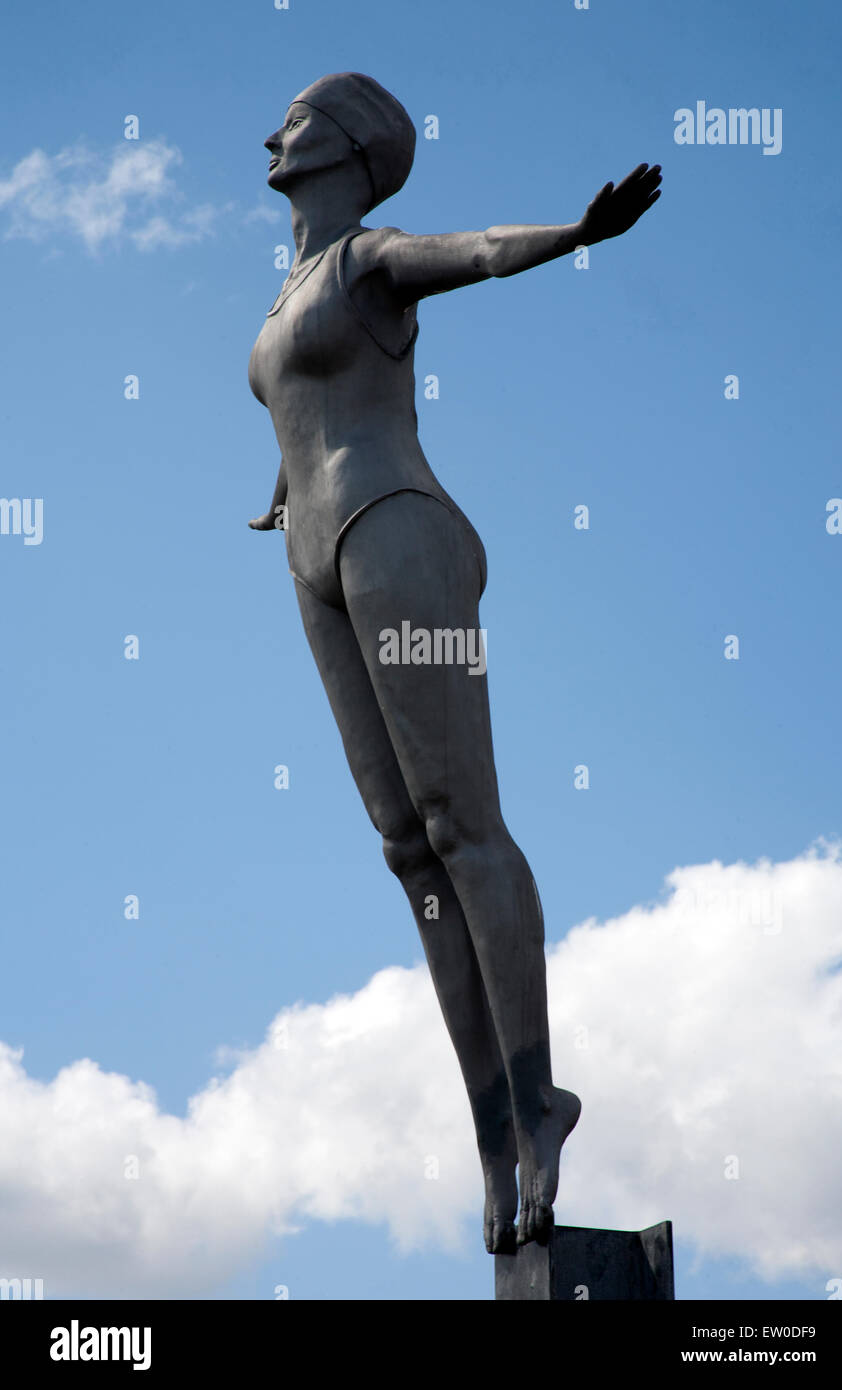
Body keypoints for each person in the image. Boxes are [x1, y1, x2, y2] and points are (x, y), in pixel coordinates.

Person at [248, 72, 662, 1252]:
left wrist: (574, 234)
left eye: (291, 122)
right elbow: (300, 415)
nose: (269, 138)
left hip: (397, 532)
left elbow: (474, 251)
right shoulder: (281, 300)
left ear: (337, 145)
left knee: (458, 817)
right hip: (313, 560)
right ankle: (490, 1123)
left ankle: (539, 1100)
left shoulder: (369, 261)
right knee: (402, 845)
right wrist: (278, 495)